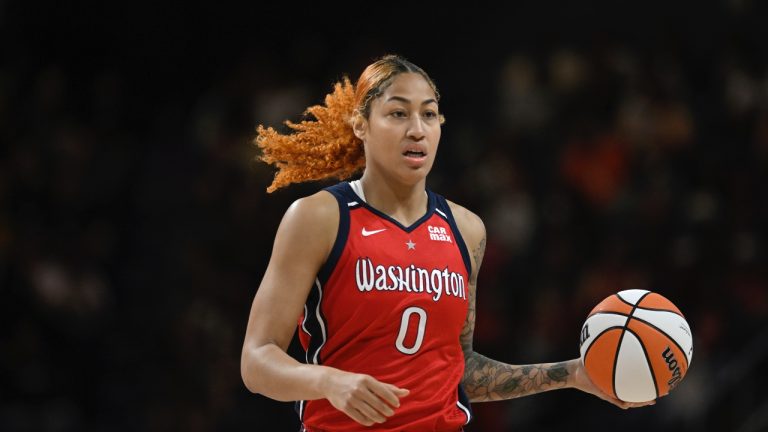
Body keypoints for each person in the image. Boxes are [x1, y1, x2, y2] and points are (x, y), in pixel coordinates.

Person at [240, 54, 652, 431]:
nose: (416, 129)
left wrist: (572, 374)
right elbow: (257, 360)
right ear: (361, 124)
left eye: (429, 115)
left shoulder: (466, 229)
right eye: (398, 113)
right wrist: (328, 381)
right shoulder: (319, 217)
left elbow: (462, 369)